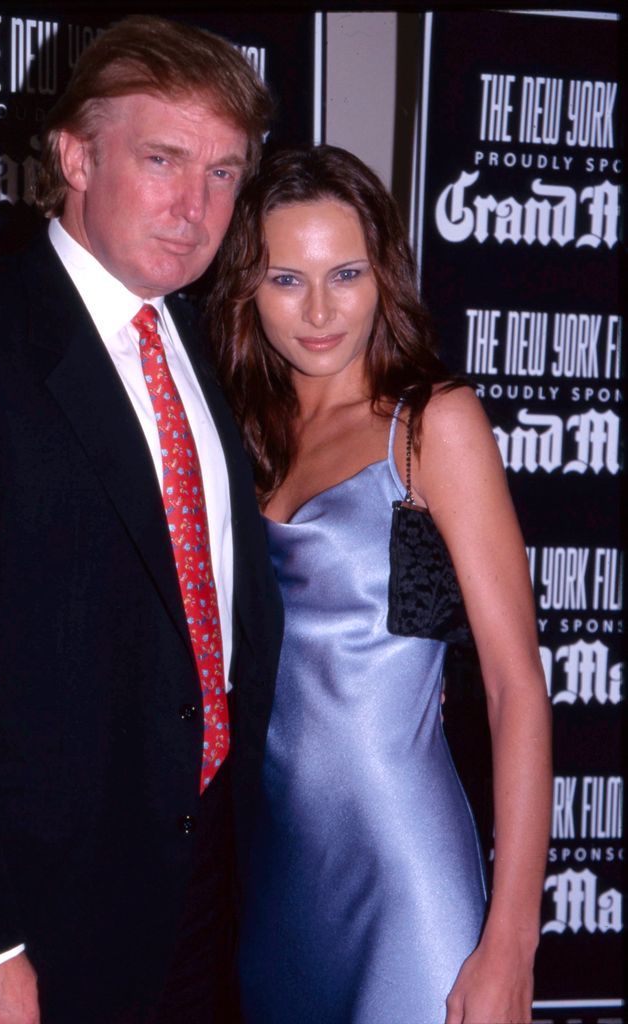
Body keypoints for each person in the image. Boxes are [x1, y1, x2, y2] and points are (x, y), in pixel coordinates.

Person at [0, 16, 282, 1024]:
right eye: (163, 160)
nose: (195, 207)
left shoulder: (207, 344)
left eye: (223, 173)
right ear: (76, 157)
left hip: (208, 889)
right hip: (36, 919)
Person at [209, 145, 552, 1024]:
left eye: (346, 274)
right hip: (274, 885)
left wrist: (511, 942)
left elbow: (516, 687)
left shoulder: (432, 423)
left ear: (384, 275)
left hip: (405, 877)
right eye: (287, 279)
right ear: (247, 286)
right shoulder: (239, 430)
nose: (320, 311)